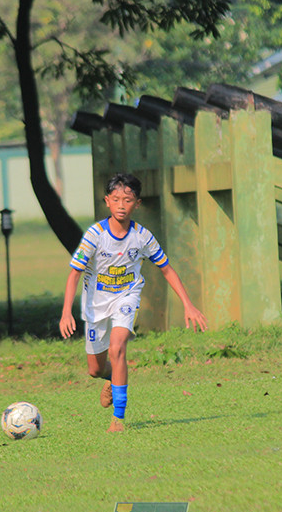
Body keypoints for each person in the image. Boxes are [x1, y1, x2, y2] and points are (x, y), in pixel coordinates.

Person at [60, 173, 208, 432]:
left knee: (117, 349)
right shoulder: (95, 236)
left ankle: (118, 418)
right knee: (95, 369)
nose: (121, 205)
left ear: (136, 204)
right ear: (107, 201)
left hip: (126, 298)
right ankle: (114, 378)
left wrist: (188, 304)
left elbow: (167, 269)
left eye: (127, 200)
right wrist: (66, 313)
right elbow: (74, 274)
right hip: (95, 304)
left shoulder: (143, 237)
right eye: (115, 199)